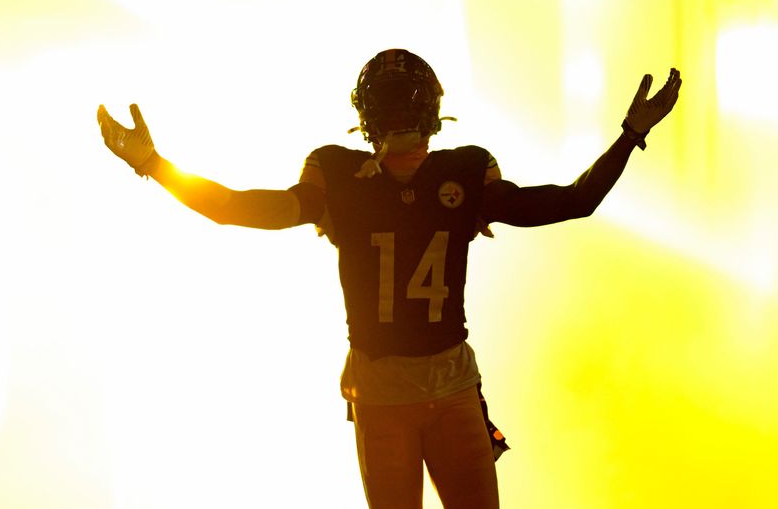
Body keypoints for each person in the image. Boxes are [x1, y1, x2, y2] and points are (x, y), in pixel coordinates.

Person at [97, 48, 681, 509]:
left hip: (401, 388)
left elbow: (236, 207)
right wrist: (630, 134)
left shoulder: (340, 170)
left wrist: (154, 166)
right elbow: (574, 200)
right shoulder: (461, 168)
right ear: (433, 105)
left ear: (364, 113)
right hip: (435, 384)